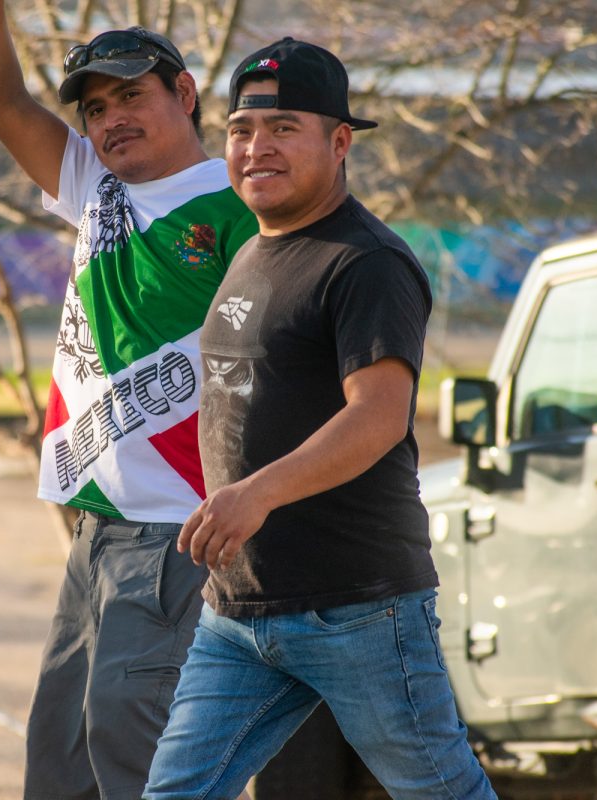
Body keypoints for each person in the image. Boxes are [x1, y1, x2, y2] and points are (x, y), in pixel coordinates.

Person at [143, 38, 498, 800]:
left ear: (340, 143)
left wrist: (256, 494)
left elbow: (377, 419)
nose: (255, 148)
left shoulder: (366, 262)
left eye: (283, 129)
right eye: (241, 129)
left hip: (358, 609)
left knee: (441, 792)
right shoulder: (254, 250)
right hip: (239, 614)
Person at [0, 5, 258, 798]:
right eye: (94, 109)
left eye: (131, 97)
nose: (111, 120)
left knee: (142, 761)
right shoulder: (95, 186)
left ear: (186, 94)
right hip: (93, 532)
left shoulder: (241, 204)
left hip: (176, 528)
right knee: (59, 767)